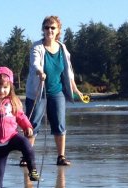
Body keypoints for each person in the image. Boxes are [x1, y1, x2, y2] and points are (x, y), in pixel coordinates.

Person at [24, 15, 86, 167]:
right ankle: (26, 157)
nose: (49, 30)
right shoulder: (37, 47)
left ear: (58, 30)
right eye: (46, 27)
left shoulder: (63, 48)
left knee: (59, 124)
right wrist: (40, 72)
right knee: (32, 124)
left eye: (53, 28)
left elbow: (68, 70)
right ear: (43, 30)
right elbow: (35, 63)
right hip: (38, 91)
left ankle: (61, 157)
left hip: (57, 92)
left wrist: (75, 88)